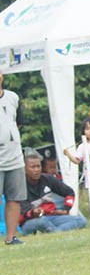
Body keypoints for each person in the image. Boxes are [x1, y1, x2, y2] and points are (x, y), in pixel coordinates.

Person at [19, 149, 87, 234]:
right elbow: (23, 212)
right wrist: (33, 212)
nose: (36, 170)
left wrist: (66, 209)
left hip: (51, 217)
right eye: (33, 167)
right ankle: (56, 232)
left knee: (81, 220)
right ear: (24, 169)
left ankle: (55, 232)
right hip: (30, 221)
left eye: (38, 166)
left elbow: (69, 192)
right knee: (42, 221)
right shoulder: (19, 186)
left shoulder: (48, 179)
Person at [1, 69, 27, 245]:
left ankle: (11, 237)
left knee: (14, 198)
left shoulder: (13, 97)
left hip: (14, 157)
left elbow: (18, 122)